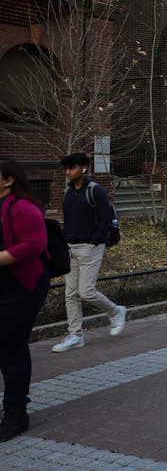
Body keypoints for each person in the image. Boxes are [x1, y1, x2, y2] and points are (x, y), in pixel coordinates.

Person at [51, 153, 126, 352]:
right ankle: (75, 335)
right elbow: (68, 220)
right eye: (66, 169)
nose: (68, 172)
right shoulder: (67, 192)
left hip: (90, 247)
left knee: (86, 291)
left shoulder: (95, 191)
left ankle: (116, 311)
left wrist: (94, 241)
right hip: (71, 247)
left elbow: (105, 220)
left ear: (84, 168)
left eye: (72, 168)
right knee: (71, 293)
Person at [0, 160, 50, 440]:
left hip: (23, 285)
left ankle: (16, 413)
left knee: (11, 347)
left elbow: (35, 244)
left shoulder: (23, 207)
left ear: (8, 180)